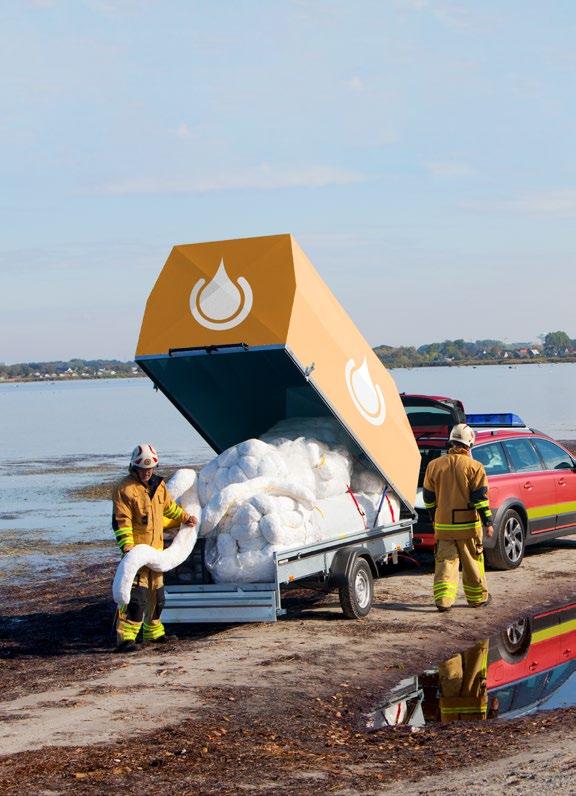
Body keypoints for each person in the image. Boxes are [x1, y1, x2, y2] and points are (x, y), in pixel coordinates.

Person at [112, 443, 198, 652]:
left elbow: (169, 508)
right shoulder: (124, 489)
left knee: (157, 596)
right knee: (136, 597)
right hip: (138, 552)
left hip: (157, 551)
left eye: (150, 469)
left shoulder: (159, 487)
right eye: (143, 469)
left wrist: (186, 518)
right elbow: (120, 521)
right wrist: (128, 547)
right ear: (134, 467)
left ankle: (154, 633)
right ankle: (126, 638)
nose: (147, 472)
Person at [423, 423, 494, 611]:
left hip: (443, 526)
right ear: (469, 443)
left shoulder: (434, 465)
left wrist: (434, 517)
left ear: (451, 441)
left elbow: (428, 498)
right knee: (472, 562)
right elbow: (480, 499)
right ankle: (477, 598)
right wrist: (488, 522)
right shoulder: (475, 467)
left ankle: (443, 601)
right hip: (468, 526)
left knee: (446, 563)